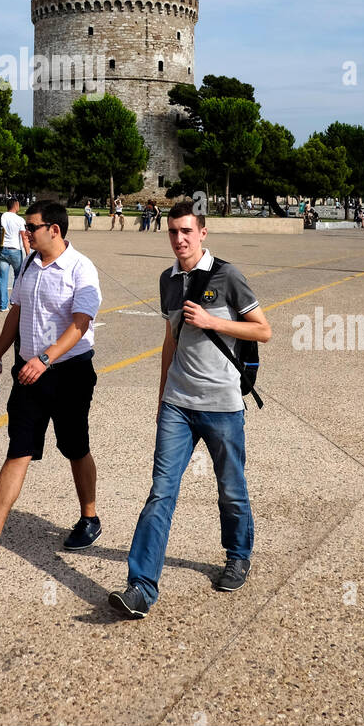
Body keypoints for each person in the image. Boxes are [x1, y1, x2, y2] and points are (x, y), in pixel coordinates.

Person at [108, 200, 271, 618]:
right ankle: (141, 587)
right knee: (161, 491)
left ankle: (238, 555)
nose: (179, 239)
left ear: (203, 232)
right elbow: (170, 339)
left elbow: (263, 330)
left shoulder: (228, 276)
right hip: (178, 404)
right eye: (172, 232)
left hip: (222, 403)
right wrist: (162, 394)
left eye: (186, 231)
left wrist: (215, 322)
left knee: (230, 487)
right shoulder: (167, 280)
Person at [0, 200, 102, 564]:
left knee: (74, 446)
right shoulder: (31, 264)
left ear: (55, 229)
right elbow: (15, 312)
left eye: (31, 227)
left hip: (69, 373)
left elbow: (81, 323)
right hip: (28, 372)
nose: (25, 233)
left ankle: (90, 517)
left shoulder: (81, 269)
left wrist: (46, 358)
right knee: (19, 448)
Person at [0, 198, 29, 311]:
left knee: (2, 278)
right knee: (18, 276)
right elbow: (24, 238)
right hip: (15, 249)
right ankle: (14, 301)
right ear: (15, 205)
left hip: (2, 249)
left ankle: (3, 305)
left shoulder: (0, 216)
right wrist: (28, 253)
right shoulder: (19, 220)